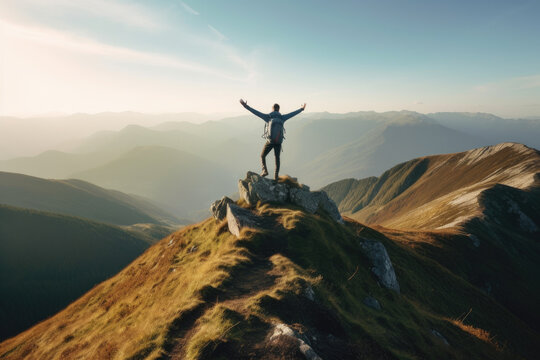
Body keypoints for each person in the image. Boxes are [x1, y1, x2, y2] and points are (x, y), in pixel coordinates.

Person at [239, 99, 306, 181]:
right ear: (279, 109)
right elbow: (293, 114)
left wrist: (246, 106)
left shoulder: (268, 117)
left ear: (272, 109)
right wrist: (302, 109)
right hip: (278, 142)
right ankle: (276, 177)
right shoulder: (282, 117)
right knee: (277, 158)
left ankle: (264, 171)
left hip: (270, 141)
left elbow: (256, 112)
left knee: (262, 156)